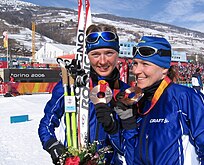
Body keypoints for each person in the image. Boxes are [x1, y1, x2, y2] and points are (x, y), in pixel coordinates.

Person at [38, 23, 135, 165]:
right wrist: (53, 145)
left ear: (117, 53)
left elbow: (128, 150)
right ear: (87, 56)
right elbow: (46, 123)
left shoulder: (125, 93)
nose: (102, 61)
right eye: (95, 54)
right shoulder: (70, 85)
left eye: (109, 53)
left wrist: (113, 130)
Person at [129, 36, 204, 164]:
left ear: (164, 69)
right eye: (135, 63)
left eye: (145, 64)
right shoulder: (139, 101)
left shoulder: (184, 97)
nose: (136, 70)